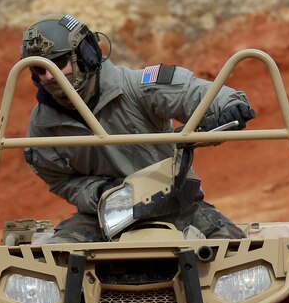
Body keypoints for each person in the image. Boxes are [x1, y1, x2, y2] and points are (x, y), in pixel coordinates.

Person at [20, 13, 256, 242]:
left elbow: (191, 92)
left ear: (86, 55)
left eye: (58, 62)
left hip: (175, 208)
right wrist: (102, 192)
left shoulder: (136, 87)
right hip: (100, 218)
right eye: (40, 70)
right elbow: (61, 181)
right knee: (50, 264)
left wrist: (227, 104)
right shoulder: (42, 126)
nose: (49, 76)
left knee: (237, 256)